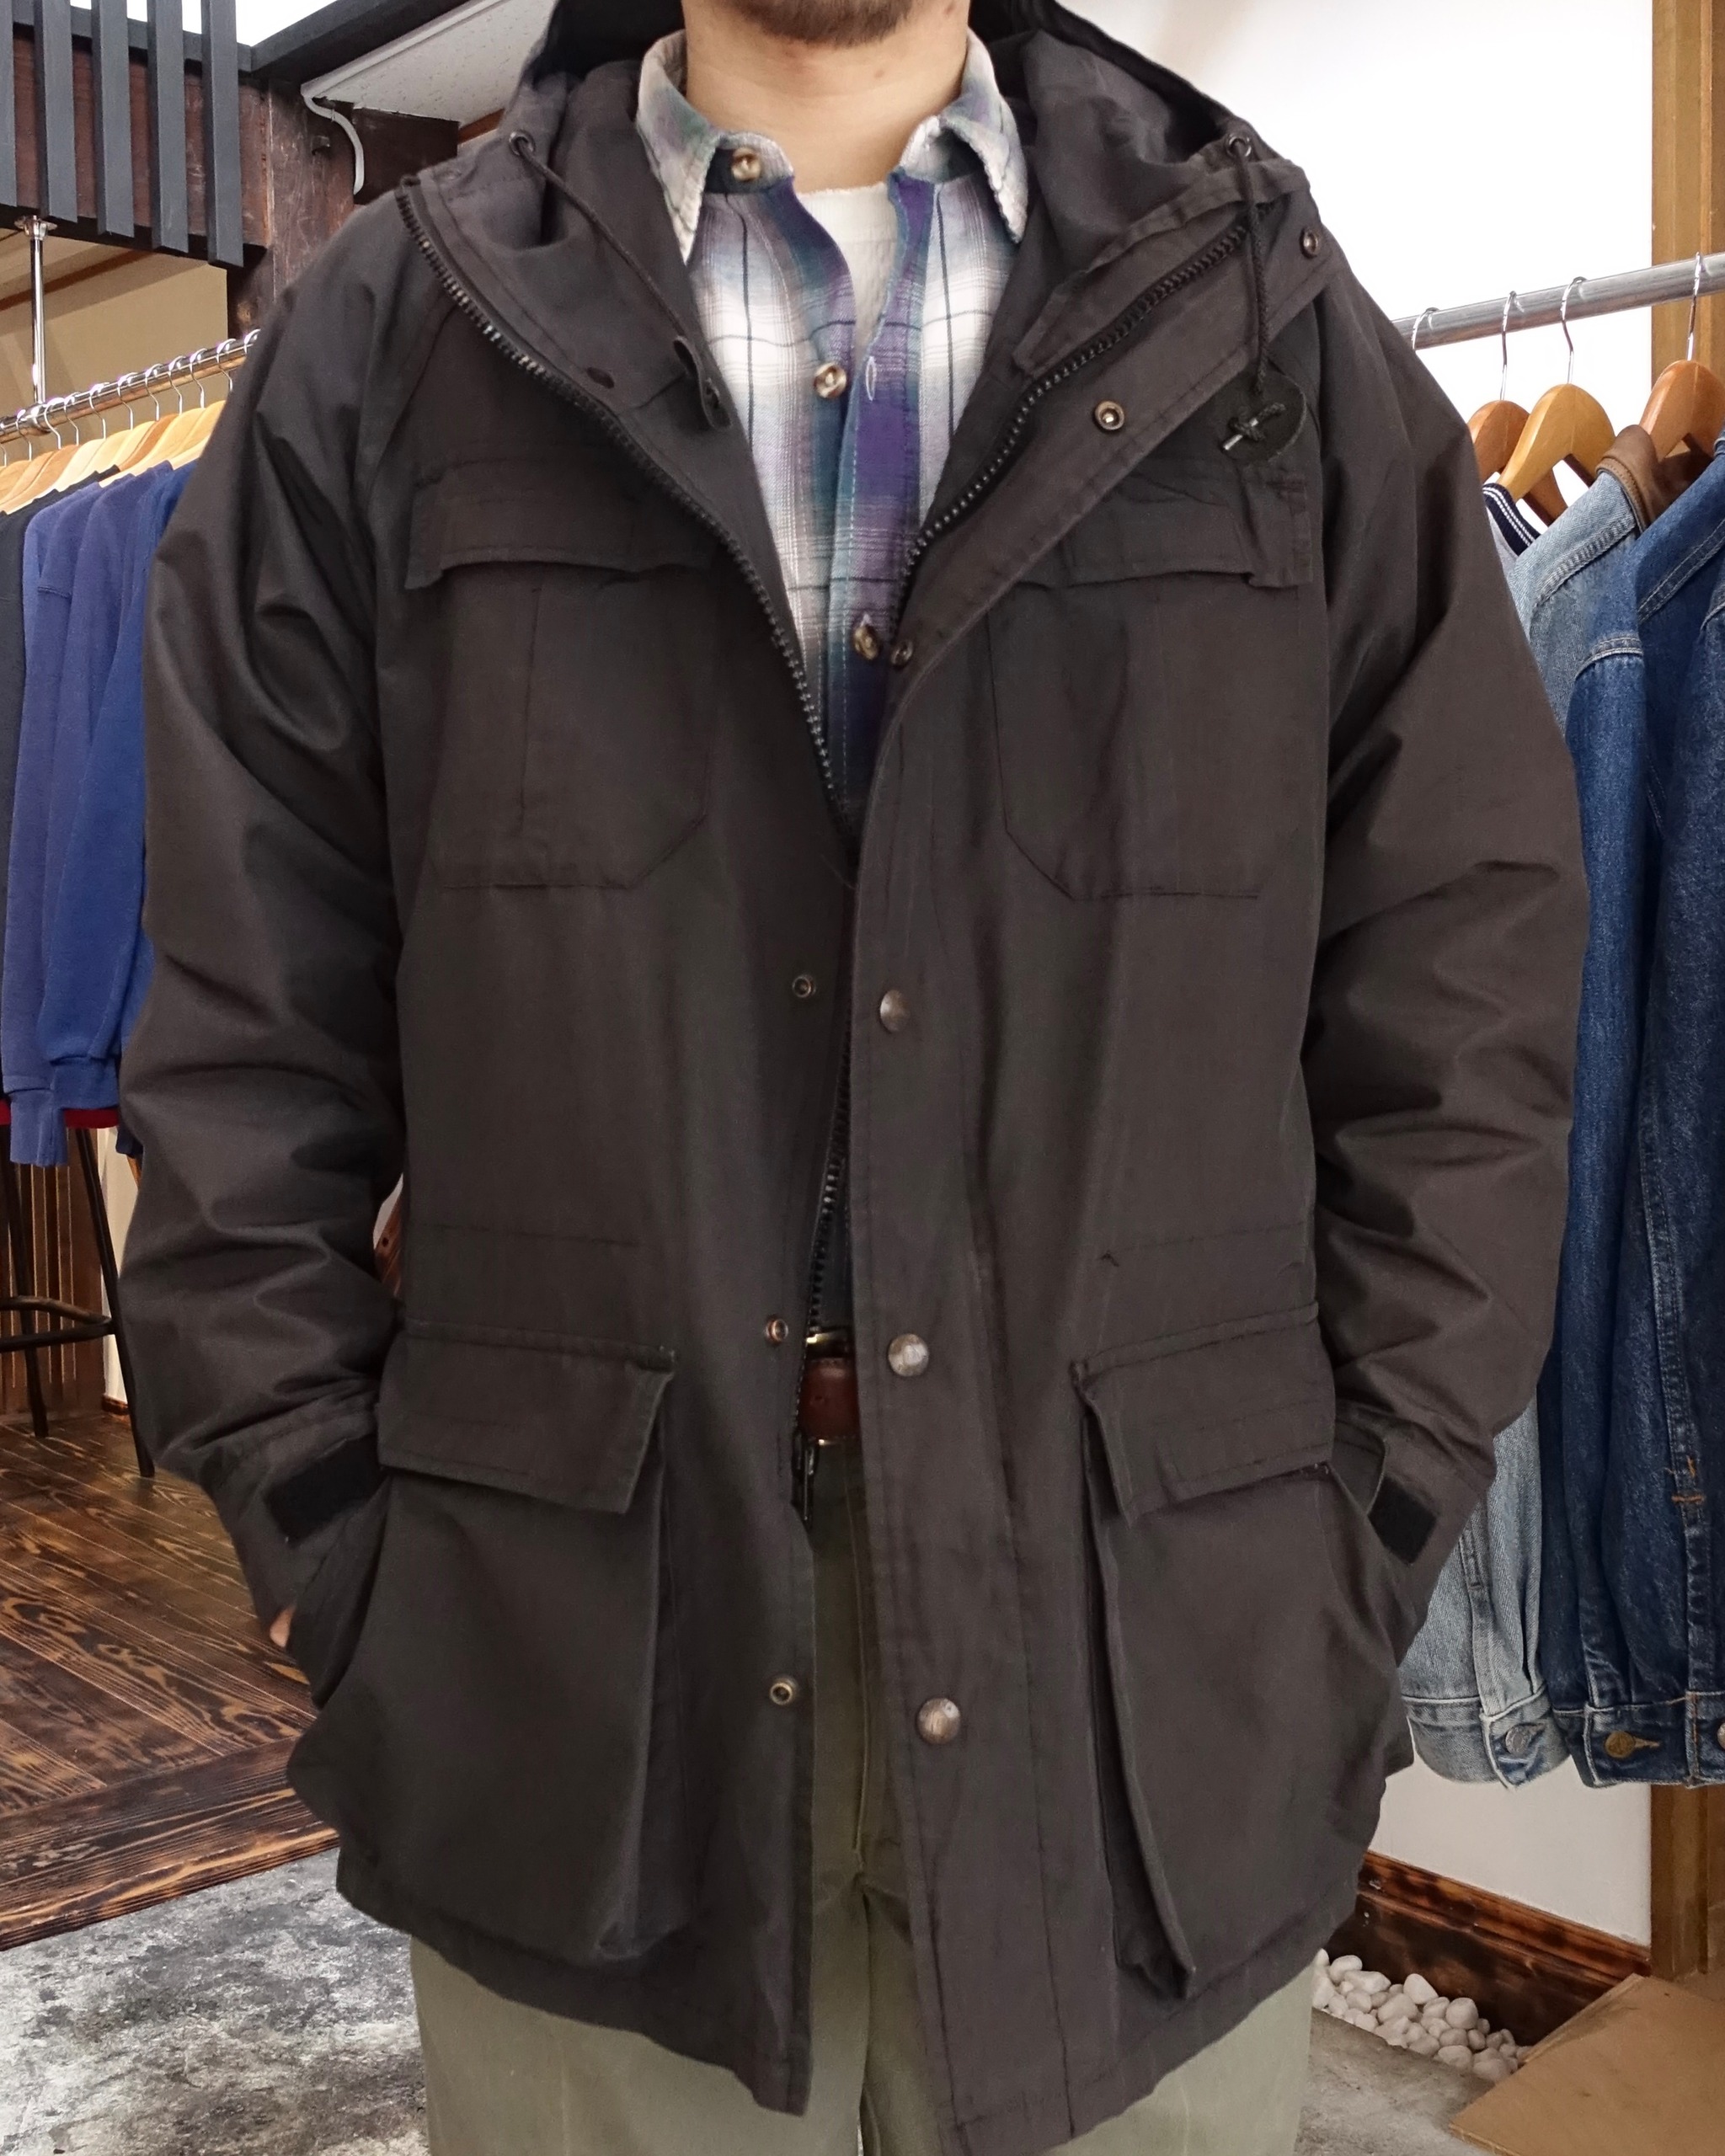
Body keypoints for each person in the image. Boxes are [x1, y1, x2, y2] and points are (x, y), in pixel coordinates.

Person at [120, 0, 1588, 2151]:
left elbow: (1462, 986)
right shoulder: (387, 339)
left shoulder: (1265, 317)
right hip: (569, 1670)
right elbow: (244, 1019)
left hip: (1149, 1660)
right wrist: (323, 1547)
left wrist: (1355, 1528)